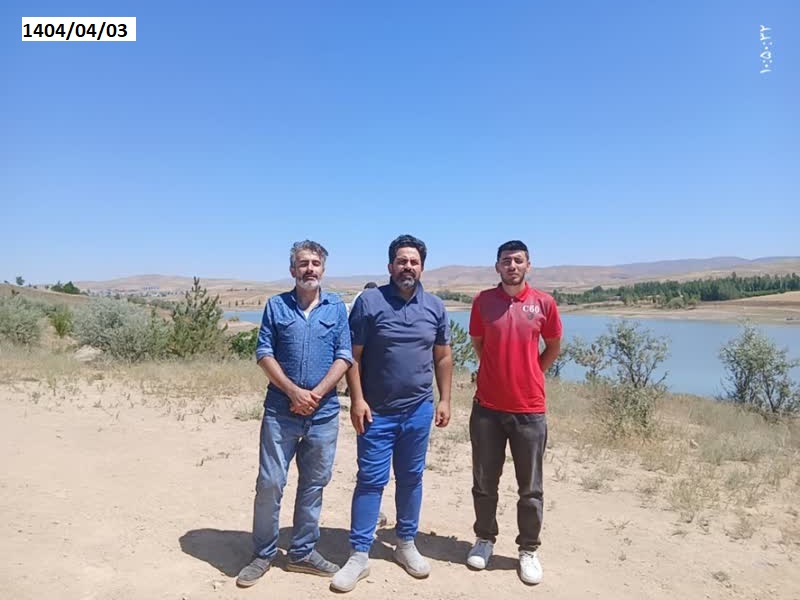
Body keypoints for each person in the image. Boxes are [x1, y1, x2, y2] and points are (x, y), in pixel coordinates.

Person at [330, 234, 453, 593]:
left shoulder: (435, 307)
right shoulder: (369, 302)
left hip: (418, 410)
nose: (407, 267)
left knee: (411, 478)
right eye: (402, 261)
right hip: (377, 413)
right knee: (370, 480)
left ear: (422, 267)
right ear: (390, 266)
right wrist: (357, 399)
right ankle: (359, 554)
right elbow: (352, 356)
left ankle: (405, 543)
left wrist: (445, 399)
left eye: (414, 262)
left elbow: (443, 356)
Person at [236, 240, 353, 587]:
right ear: (292, 270)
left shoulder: (336, 308)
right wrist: (292, 391)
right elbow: (263, 353)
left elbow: (344, 355)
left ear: (323, 269)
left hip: (323, 412)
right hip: (280, 409)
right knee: (270, 483)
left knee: (314, 483)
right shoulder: (276, 305)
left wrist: (315, 395)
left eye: (315, 263)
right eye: (303, 263)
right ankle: (263, 553)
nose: (309, 269)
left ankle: (302, 552)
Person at [465, 240, 563, 585]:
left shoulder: (544, 303)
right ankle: (484, 539)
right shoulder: (482, 302)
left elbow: (553, 346)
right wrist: (496, 371)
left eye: (518, 261)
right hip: (487, 409)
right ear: (497, 267)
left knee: (530, 487)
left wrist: (531, 371)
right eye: (506, 261)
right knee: (484, 481)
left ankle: (528, 549)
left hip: (529, 410)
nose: (512, 266)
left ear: (528, 265)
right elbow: (479, 344)